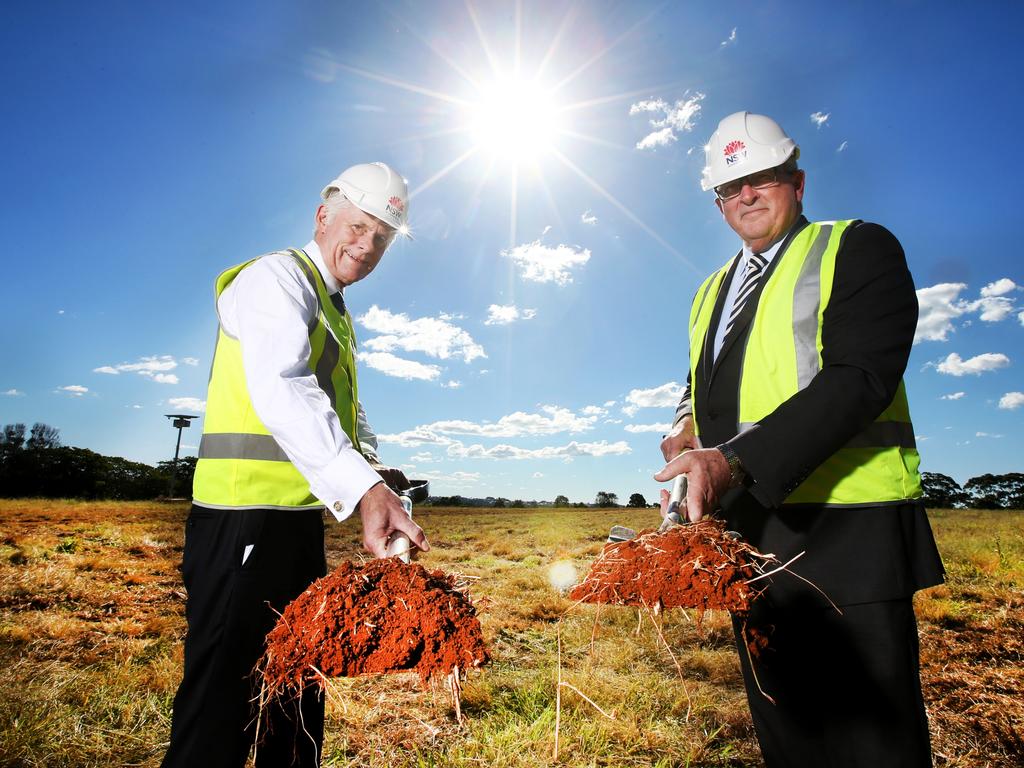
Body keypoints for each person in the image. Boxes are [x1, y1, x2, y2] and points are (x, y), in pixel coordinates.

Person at [655, 112, 944, 767]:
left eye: (762, 178)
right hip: (748, 542)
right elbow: (700, 382)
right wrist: (685, 431)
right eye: (730, 188)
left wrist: (731, 462)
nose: (747, 196)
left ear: (798, 180)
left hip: (846, 535)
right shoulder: (709, 292)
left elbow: (861, 378)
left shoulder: (857, 247)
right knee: (789, 738)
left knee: (873, 748)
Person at [162, 162, 430, 768]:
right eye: (358, 227)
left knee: (297, 698)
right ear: (323, 216)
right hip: (240, 522)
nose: (365, 247)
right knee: (221, 708)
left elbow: (345, 409)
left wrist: (374, 469)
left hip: (295, 523)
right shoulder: (275, 279)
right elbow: (282, 387)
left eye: (381, 239)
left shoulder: (333, 309)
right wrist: (361, 489)